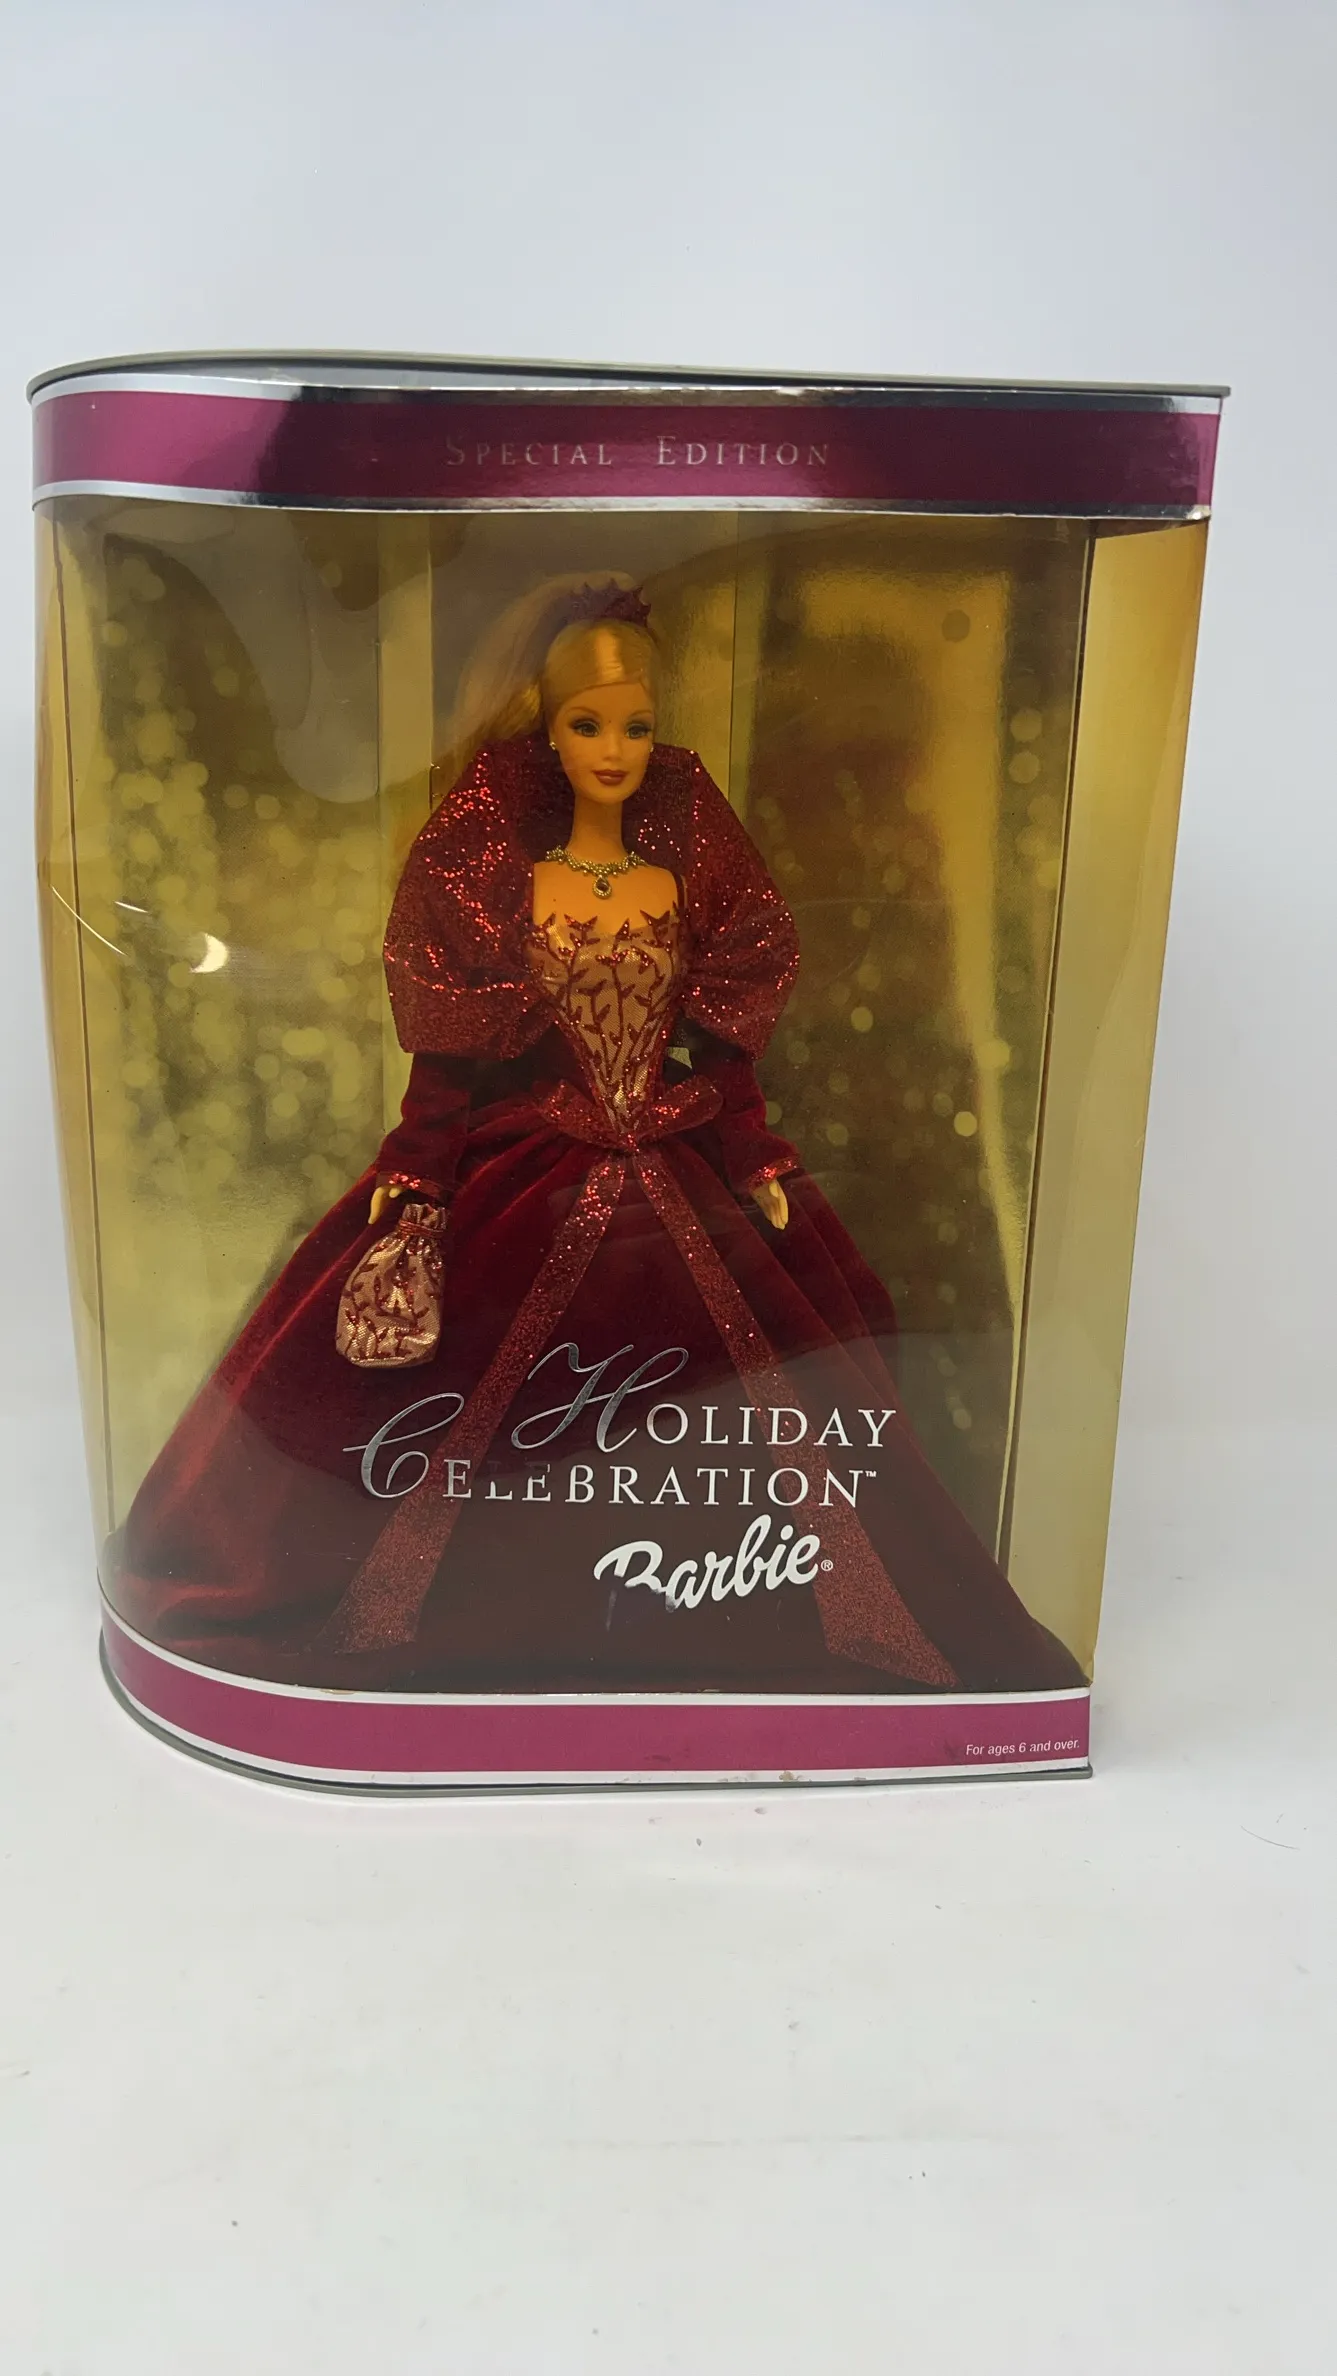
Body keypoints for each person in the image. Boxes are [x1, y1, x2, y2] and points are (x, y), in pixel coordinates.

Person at [111, 578, 1083, 1696]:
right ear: (549, 733)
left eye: (635, 727)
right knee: (459, 1390)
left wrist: (755, 1152)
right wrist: (420, 1169)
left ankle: (744, 1607)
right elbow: (454, 1052)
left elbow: (721, 1046)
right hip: (533, 1159)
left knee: (775, 1387)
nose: (613, 750)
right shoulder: (511, 880)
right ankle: (483, 1602)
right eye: (587, 725)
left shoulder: (682, 877)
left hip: (673, 1157)